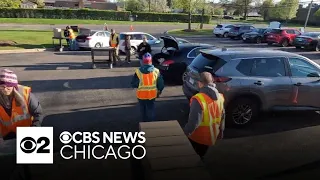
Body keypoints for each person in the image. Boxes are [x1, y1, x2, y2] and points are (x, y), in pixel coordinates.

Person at [183, 72, 225, 158]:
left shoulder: (198, 99)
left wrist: (184, 134)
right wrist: (221, 131)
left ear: (200, 83)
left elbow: (194, 122)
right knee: (201, 156)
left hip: (198, 137)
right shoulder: (220, 97)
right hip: (212, 135)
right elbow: (223, 116)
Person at [0, 69, 43, 141]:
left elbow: (38, 113)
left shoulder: (25, 95)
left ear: (14, 86)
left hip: (28, 133)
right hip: (7, 135)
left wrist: (35, 129)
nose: (5, 89)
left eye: (8, 86)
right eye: (2, 86)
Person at [131, 53, 164, 122]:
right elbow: (160, 83)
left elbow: (134, 83)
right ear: (151, 61)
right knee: (151, 109)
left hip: (141, 95)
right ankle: (151, 124)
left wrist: (140, 85)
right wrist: (159, 90)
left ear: (143, 61)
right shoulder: (156, 71)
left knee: (143, 109)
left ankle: (144, 123)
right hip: (151, 94)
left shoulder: (138, 71)